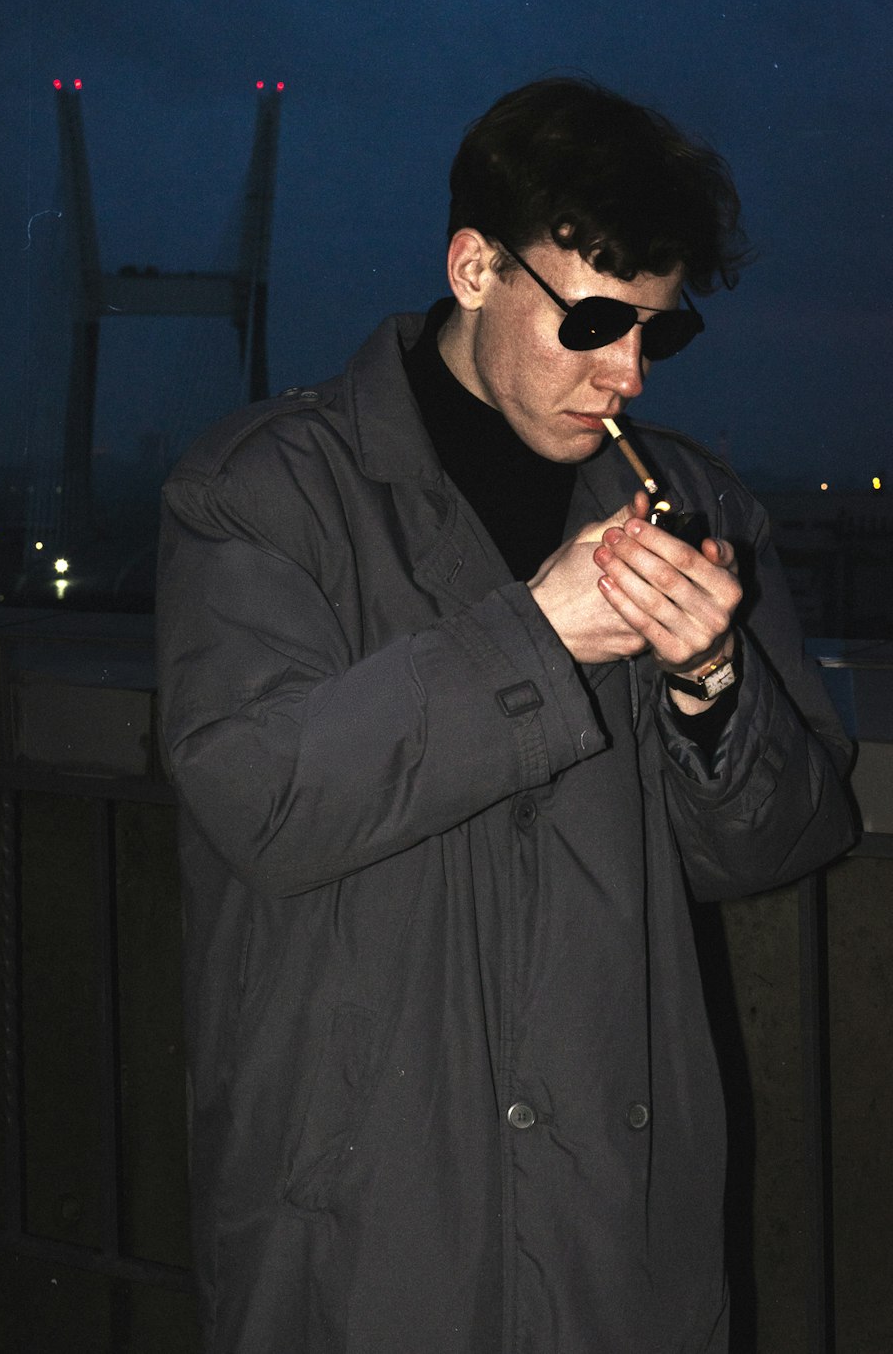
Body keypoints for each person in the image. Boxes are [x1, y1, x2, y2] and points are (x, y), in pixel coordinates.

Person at [156, 78, 853, 1354]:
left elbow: (783, 842)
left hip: (614, 1221)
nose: (626, 374)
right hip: (365, 1214)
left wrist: (712, 686)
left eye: (658, 333)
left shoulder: (690, 500)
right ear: (474, 267)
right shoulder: (260, 491)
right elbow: (261, 799)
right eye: (592, 320)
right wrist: (537, 636)